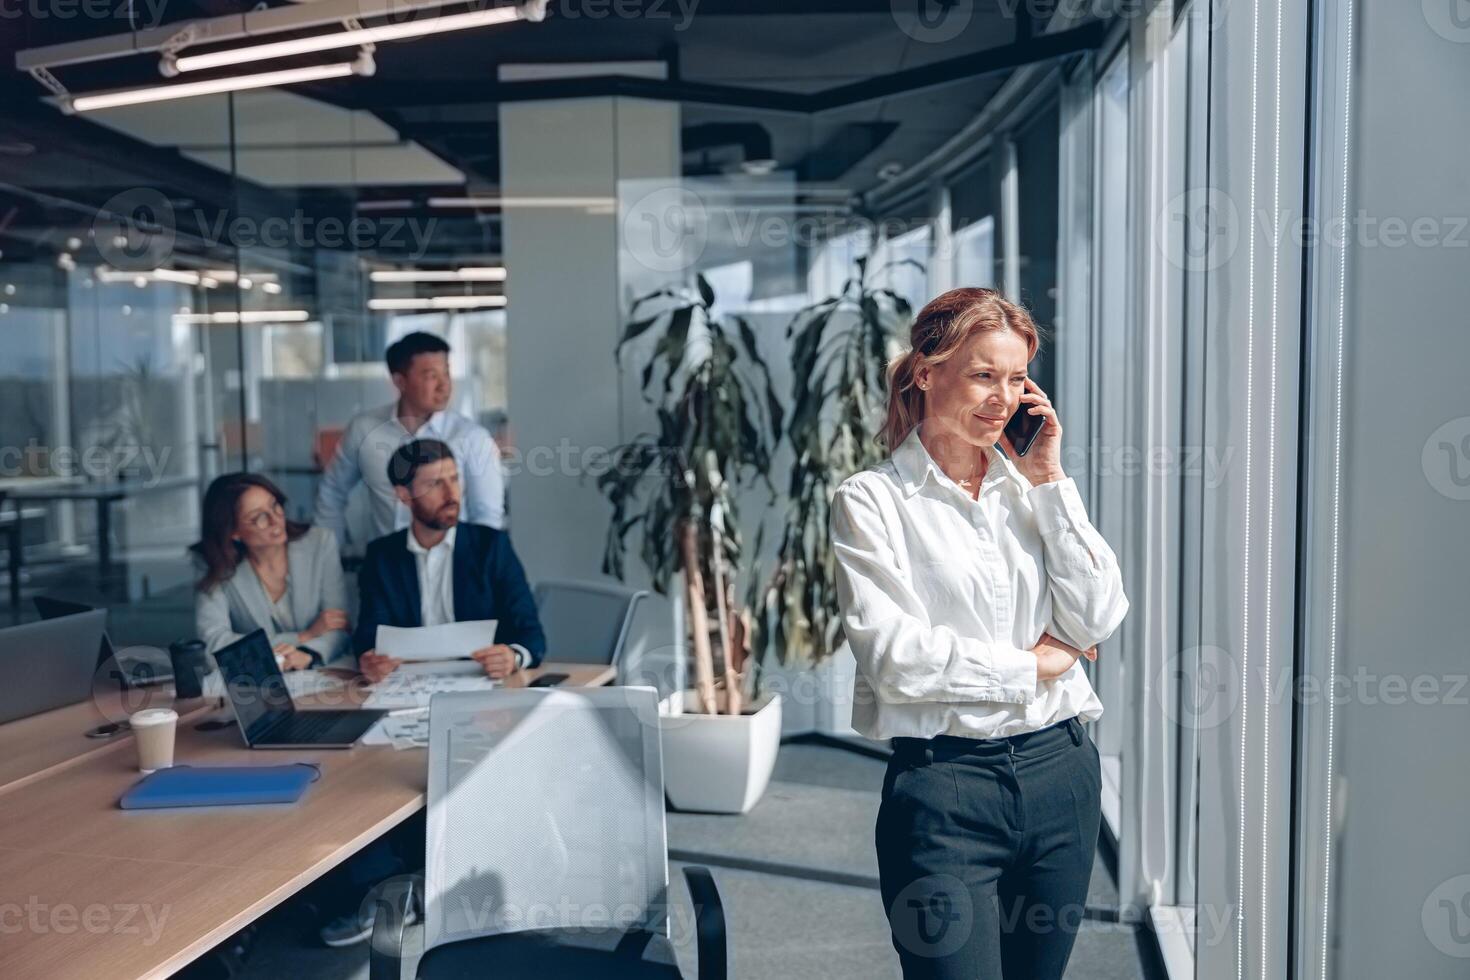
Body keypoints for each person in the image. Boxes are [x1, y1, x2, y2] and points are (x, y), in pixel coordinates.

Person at [829, 288, 1128, 980]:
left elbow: (1101, 613)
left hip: (1063, 776)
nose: (1004, 398)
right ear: (927, 371)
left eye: (1018, 378)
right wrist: (1041, 665)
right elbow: (897, 661)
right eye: (984, 375)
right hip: (945, 789)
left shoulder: (1031, 488)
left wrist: (1051, 476)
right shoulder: (871, 502)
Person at [353, 437, 545, 683]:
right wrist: (370, 661)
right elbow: (368, 636)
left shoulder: (491, 546)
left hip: (483, 689)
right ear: (404, 494)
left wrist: (514, 656)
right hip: (406, 688)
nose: (451, 493)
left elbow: (530, 633)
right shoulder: (382, 556)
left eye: (454, 479)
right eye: (434, 484)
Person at [313, 331, 505, 548]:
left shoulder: (471, 436)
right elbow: (331, 494)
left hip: (453, 569)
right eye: (431, 376)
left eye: (447, 373)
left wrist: (477, 572)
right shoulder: (365, 430)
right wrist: (329, 558)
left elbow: (487, 516)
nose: (444, 386)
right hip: (387, 571)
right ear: (400, 381)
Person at [193, 473, 351, 667]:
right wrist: (302, 637)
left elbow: (339, 626)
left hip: (320, 671)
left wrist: (308, 655)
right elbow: (213, 645)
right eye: (259, 517)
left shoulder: (320, 543)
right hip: (257, 679)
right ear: (234, 532)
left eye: (275, 505)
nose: (275, 520)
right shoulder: (213, 562)